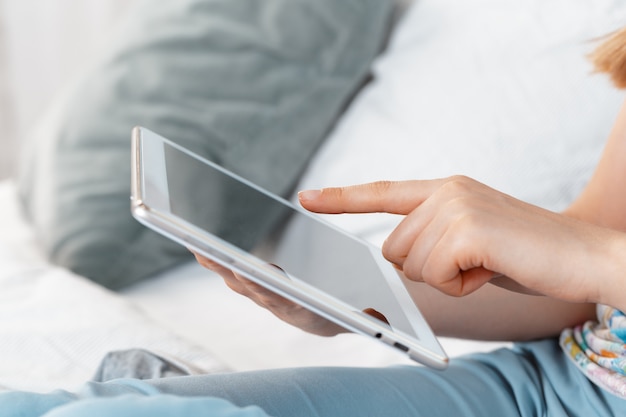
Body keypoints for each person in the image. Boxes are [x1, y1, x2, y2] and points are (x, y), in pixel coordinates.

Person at [3, 23, 626, 417]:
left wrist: (596, 259)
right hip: (554, 380)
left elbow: (591, 259)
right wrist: (359, 306)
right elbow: (575, 291)